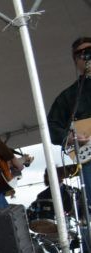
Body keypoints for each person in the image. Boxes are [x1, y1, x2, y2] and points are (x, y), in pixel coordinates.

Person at [47, 37, 91, 210]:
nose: (86, 56)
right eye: (81, 54)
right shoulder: (69, 96)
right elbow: (51, 127)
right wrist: (70, 137)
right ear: (76, 61)